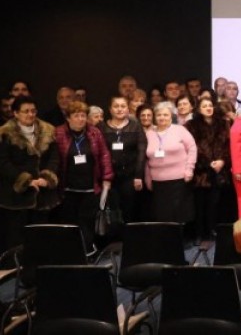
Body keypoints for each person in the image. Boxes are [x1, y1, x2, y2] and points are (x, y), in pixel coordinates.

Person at [0, 96, 59, 253]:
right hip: (15, 195)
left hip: (42, 194)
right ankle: (15, 266)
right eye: (25, 111)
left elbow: (54, 158)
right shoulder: (5, 134)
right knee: (16, 239)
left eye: (33, 111)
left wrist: (46, 177)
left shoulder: (48, 131)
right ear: (16, 113)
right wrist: (26, 180)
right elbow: (3, 163)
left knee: (40, 238)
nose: (30, 114)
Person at [54, 101, 113, 254]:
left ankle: (87, 253)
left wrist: (107, 178)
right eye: (76, 116)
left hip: (90, 188)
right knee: (69, 223)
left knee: (87, 222)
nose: (81, 119)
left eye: (83, 116)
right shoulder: (58, 133)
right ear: (68, 118)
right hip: (68, 188)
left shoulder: (94, 132)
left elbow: (104, 155)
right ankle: (70, 253)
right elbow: (54, 160)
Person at [185, 96, 231, 242]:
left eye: (210, 105)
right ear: (199, 109)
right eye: (204, 106)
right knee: (199, 204)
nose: (208, 108)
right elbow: (192, 147)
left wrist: (222, 161)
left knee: (215, 203)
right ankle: (199, 233)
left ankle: (212, 231)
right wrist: (207, 163)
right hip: (201, 171)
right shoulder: (191, 125)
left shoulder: (223, 124)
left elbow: (228, 145)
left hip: (219, 170)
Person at [145, 102, 197, 223]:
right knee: (161, 216)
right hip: (158, 183)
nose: (162, 117)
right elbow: (146, 158)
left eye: (165, 115)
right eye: (159, 115)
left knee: (179, 215)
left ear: (171, 116)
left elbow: (192, 148)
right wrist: (148, 178)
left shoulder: (180, 130)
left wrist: (189, 169)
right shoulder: (149, 134)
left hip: (179, 180)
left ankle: (180, 235)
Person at [99, 96, 146, 224]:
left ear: (127, 109)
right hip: (109, 177)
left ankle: (129, 235)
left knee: (129, 210)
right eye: (116, 106)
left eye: (123, 106)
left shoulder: (135, 126)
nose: (119, 109)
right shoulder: (102, 127)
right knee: (111, 211)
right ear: (110, 109)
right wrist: (104, 177)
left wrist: (138, 176)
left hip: (130, 176)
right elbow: (99, 153)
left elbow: (141, 151)